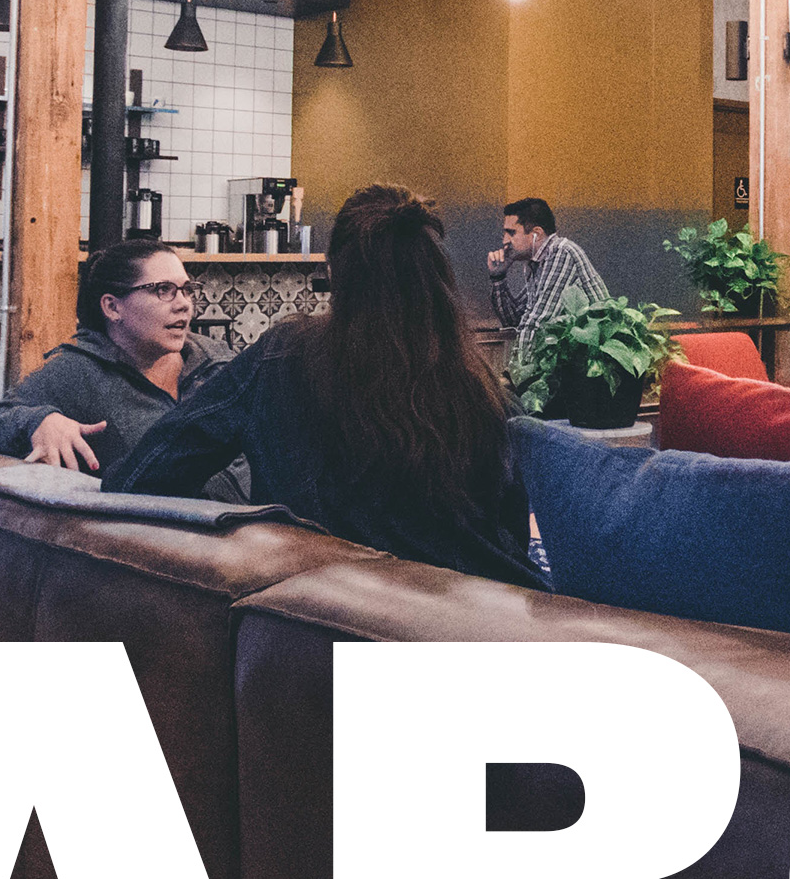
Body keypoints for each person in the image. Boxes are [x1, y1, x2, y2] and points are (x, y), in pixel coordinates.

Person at [108, 184, 547, 590]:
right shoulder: (482, 389)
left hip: (322, 620)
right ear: (437, 279)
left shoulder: (282, 357)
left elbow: (144, 475)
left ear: (334, 272)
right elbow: (510, 532)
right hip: (484, 617)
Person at [0, 239, 248, 500]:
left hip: (262, 525)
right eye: (163, 290)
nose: (184, 305)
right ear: (112, 307)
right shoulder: (76, 371)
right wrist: (34, 421)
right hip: (177, 536)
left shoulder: (216, 360)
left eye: (186, 290)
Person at [486, 196, 607, 371]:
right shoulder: (535, 264)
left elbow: (539, 323)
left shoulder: (561, 253)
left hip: (596, 366)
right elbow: (514, 320)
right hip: (577, 365)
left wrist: (515, 374)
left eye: (511, 233)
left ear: (536, 234)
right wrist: (498, 277)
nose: (505, 241)